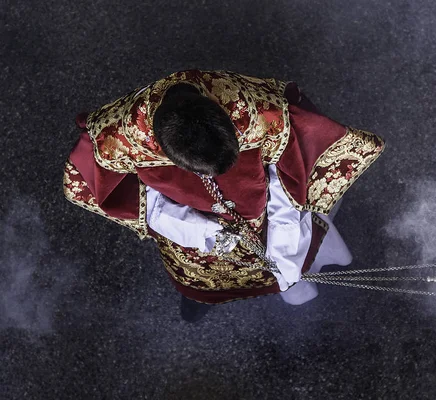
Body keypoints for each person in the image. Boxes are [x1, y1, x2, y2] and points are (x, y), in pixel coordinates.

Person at [63, 70, 385, 322]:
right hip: (189, 236)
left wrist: (284, 242)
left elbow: (287, 172)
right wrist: (199, 230)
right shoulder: (116, 138)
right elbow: (103, 190)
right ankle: (198, 301)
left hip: (267, 218)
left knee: (289, 261)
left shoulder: (255, 108)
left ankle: (301, 270)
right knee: (201, 283)